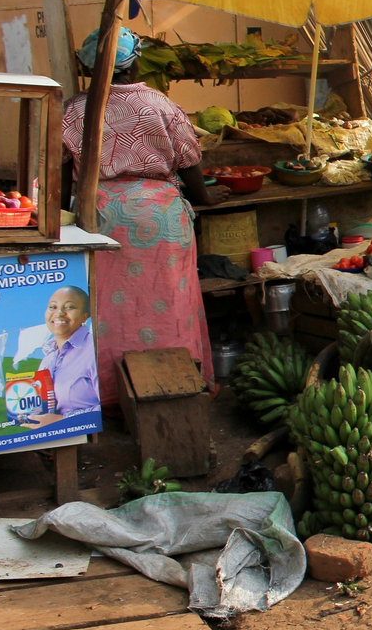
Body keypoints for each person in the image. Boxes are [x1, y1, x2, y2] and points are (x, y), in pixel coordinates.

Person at [63, 27, 228, 406]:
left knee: (108, 308)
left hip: (99, 218)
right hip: (160, 219)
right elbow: (189, 160)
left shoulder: (75, 109)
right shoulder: (160, 104)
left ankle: (110, 394)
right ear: (134, 62)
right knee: (171, 301)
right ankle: (179, 388)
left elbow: (59, 171)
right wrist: (206, 196)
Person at [21, 286, 100, 427]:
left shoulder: (94, 350)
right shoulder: (48, 358)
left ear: (85, 316)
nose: (59, 313)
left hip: (88, 438)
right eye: (53, 307)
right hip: (51, 441)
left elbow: (108, 408)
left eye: (70, 307)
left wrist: (62, 421)